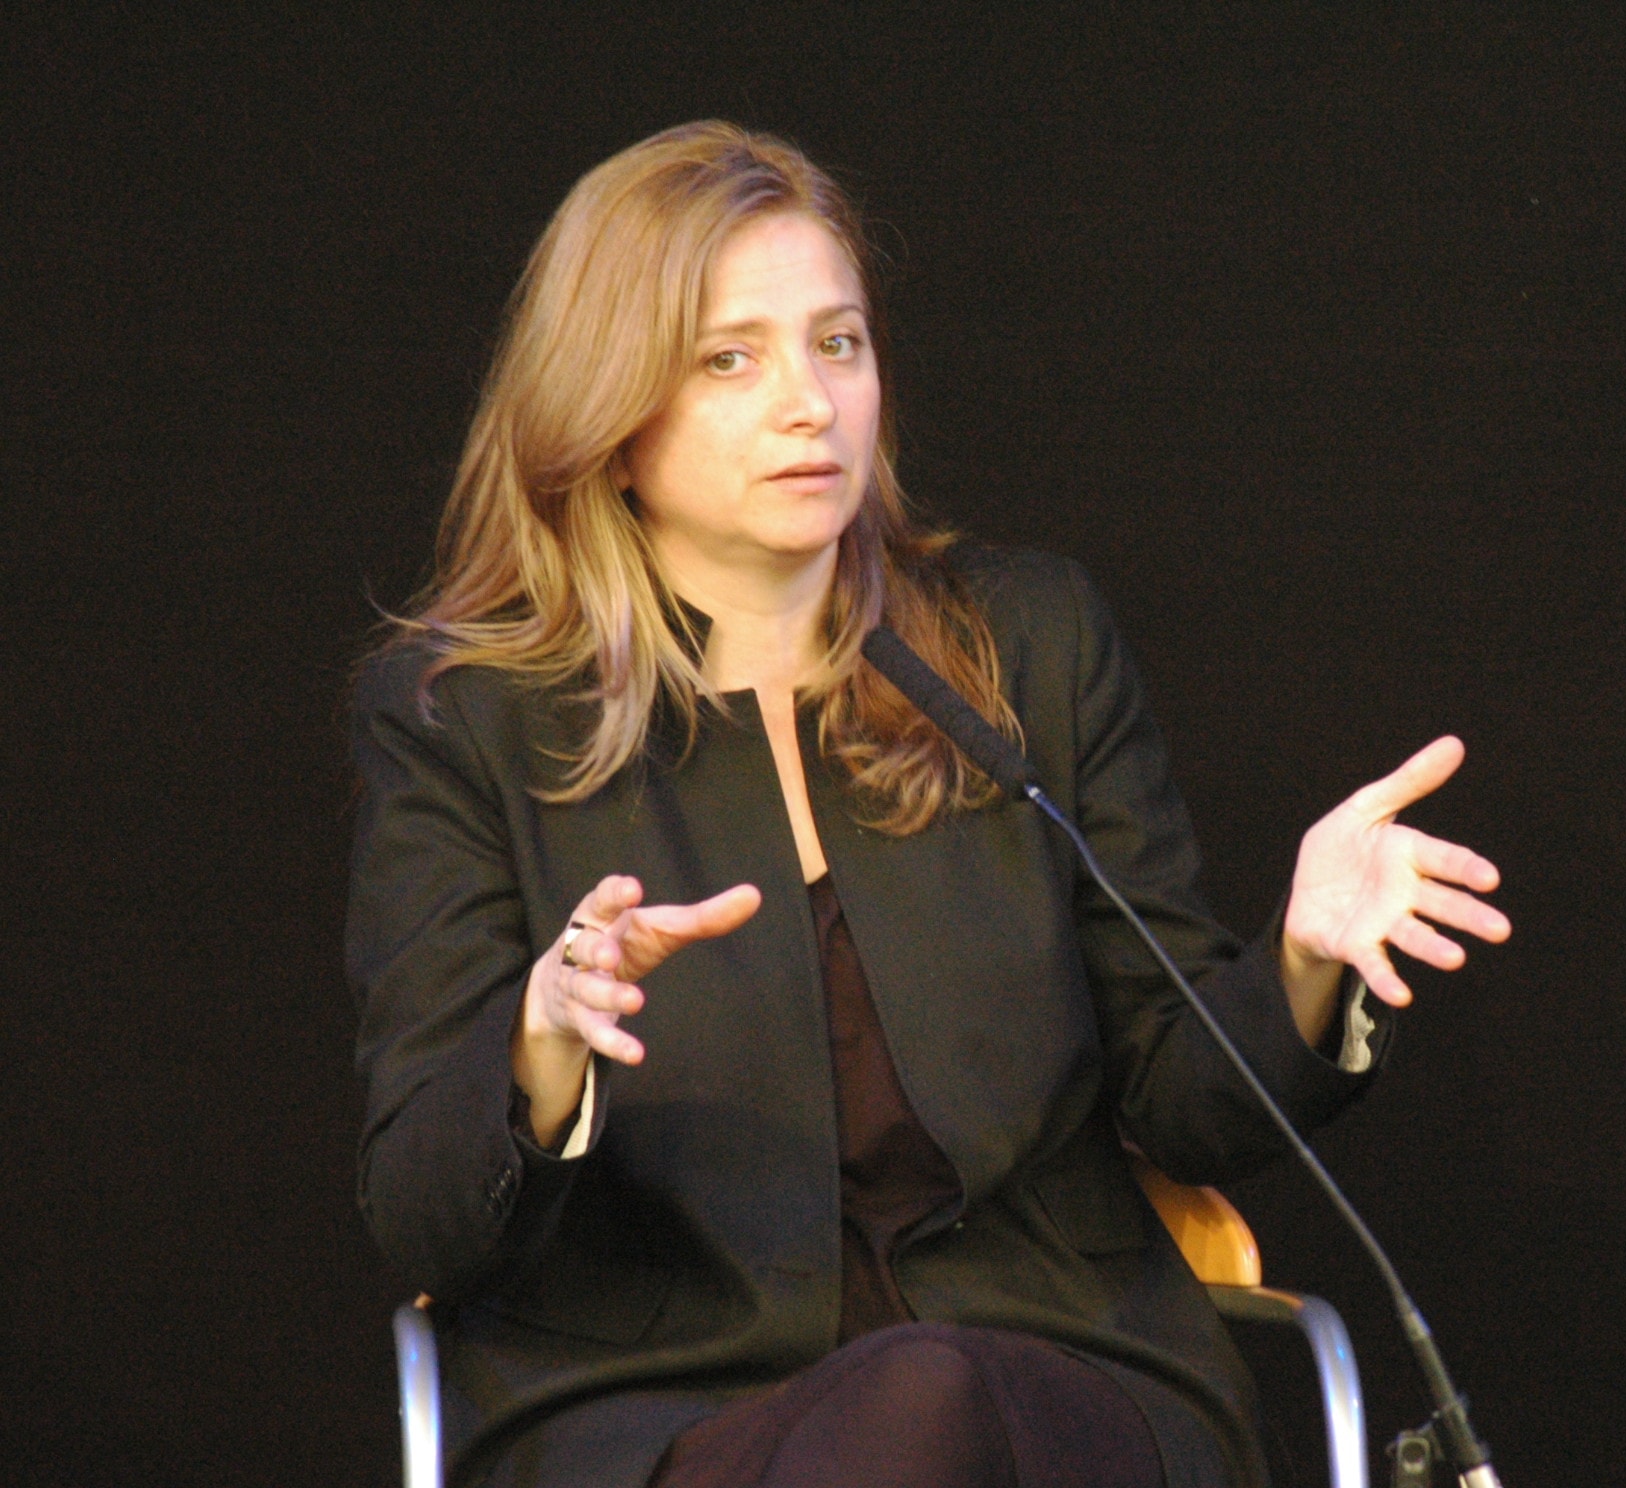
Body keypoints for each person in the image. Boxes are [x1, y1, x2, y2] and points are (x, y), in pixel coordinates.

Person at [347, 121, 1510, 1488]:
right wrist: (542, 1045)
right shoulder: (463, 719)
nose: (809, 403)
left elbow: (1190, 1108)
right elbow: (425, 1222)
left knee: (935, 1397)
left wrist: (1304, 964)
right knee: (907, 1415)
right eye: (731, 359)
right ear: (606, 419)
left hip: (1050, 1372)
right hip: (667, 1408)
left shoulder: (1027, 647)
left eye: (838, 344)